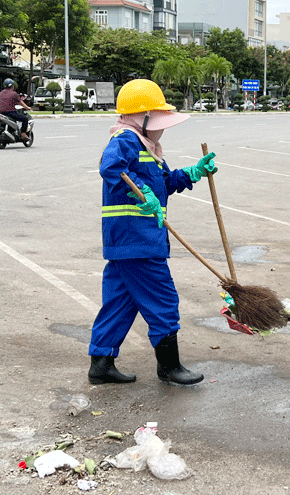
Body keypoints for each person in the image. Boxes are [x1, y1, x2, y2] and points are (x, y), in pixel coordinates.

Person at [88, 79, 217, 386]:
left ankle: (101, 363)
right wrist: (141, 191)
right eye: (157, 122)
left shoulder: (147, 147)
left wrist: (193, 173)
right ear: (139, 118)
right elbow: (111, 168)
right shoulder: (126, 140)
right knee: (163, 299)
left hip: (130, 242)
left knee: (119, 302)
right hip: (137, 239)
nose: (162, 129)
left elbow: (165, 182)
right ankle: (169, 366)